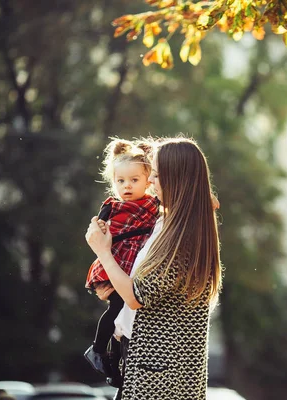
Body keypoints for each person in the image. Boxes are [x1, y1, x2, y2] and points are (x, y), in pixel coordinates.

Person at [86, 136, 222, 399]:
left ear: (175, 179)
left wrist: (103, 252)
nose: (149, 181)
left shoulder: (184, 237)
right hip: (142, 364)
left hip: (161, 378)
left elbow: (137, 296)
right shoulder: (164, 221)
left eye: (156, 176)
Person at [83, 138, 159, 378]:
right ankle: (97, 350)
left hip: (133, 266)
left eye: (134, 180)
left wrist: (206, 199)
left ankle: (114, 361)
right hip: (117, 262)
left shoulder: (153, 204)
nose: (127, 186)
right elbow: (98, 234)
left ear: (148, 180)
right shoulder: (112, 207)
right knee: (117, 307)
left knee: (124, 312)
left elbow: (180, 203)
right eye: (121, 181)